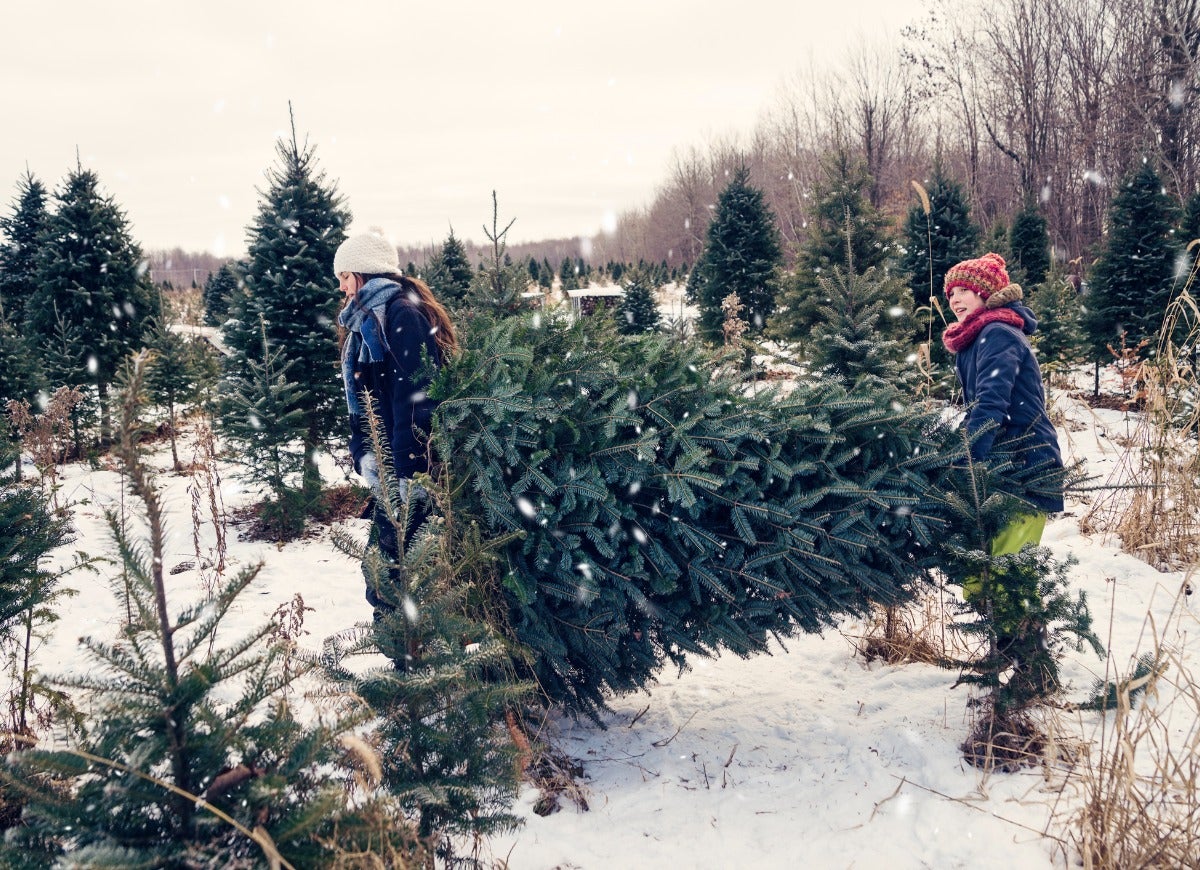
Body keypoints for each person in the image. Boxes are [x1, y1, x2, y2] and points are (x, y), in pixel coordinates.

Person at [941, 252, 1064, 656]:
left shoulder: (998, 333)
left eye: (965, 290)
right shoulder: (974, 337)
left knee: (1009, 571)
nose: (956, 299)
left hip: (1025, 464)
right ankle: (1007, 653)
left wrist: (964, 462)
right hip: (999, 463)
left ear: (985, 293)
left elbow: (991, 407)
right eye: (951, 292)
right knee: (978, 574)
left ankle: (1030, 666)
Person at [334, 230, 458, 616]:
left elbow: (418, 398)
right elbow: (365, 400)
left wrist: (409, 475)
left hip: (410, 474)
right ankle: (403, 660)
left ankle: (412, 662)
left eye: (344, 277)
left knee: (397, 577)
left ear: (363, 274)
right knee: (384, 574)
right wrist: (364, 453)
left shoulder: (401, 312)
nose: (341, 288)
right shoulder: (365, 322)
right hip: (390, 471)